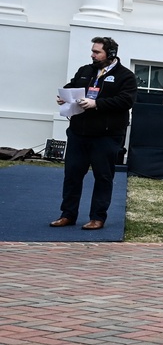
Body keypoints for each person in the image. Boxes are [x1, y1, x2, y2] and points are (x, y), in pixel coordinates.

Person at [51, 36, 137, 230]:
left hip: (106, 136)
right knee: (72, 175)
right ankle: (68, 214)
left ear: (111, 54)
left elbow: (126, 101)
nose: (93, 55)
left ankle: (98, 217)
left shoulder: (125, 76)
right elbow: (71, 87)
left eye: (97, 52)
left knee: (103, 177)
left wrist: (97, 103)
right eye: (93, 51)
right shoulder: (85, 70)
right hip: (79, 132)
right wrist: (63, 97)